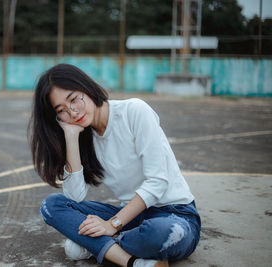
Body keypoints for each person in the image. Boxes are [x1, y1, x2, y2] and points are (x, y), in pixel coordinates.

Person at [29, 64, 201, 267]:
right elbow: (74, 198)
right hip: (130, 216)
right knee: (52, 206)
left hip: (174, 214)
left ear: (86, 87)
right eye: (62, 110)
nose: (73, 112)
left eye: (74, 99)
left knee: (160, 234)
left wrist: (112, 225)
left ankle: (98, 246)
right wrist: (71, 136)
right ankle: (132, 262)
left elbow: (158, 182)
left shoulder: (134, 111)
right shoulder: (84, 135)